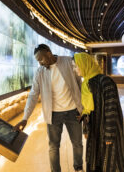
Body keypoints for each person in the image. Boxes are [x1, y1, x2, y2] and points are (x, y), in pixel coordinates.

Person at [14, 44, 84, 172]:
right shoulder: (40, 72)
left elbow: (80, 85)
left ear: (48, 53)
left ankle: (78, 167)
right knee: (53, 147)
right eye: (38, 61)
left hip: (73, 111)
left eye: (41, 59)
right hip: (53, 114)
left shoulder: (68, 62)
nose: (40, 63)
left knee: (77, 144)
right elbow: (33, 94)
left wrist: (83, 110)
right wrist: (25, 118)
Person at [74, 52, 124, 172]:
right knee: (94, 159)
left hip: (106, 128)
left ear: (85, 65)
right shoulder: (86, 84)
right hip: (94, 129)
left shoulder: (105, 81)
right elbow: (85, 110)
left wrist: (109, 133)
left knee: (110, 160)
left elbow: (111, 108)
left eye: (77, 66)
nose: (75, 69)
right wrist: (86, 129)